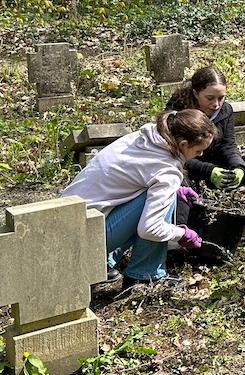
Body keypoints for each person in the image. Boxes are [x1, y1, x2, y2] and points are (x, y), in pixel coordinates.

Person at [63, 110, 215, 288]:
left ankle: (107, 260)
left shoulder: (146, 137)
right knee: (158, 209)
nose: (201, 155)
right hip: (84, 240)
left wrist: (175, 191)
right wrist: (182, 234)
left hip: (67, 222)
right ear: (183, 144)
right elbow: (150, 229)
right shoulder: (167, 171)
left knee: (164, 196)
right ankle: (144, 274)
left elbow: (134, 179)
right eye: (199, 150)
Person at [166, 66, 245, 191]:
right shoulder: (177, 114)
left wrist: (238, 167)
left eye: (221, 98)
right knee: (181, 182)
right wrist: (208, 171)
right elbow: (174, 155)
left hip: (217, 167)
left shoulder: (225, 111)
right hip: (188, 167)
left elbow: (228, 145)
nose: (216, 104)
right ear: (196, 93)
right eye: (210, 98)